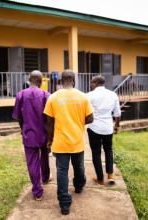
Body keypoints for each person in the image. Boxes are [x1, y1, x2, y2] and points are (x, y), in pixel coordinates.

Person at [44, 70, 93, 215]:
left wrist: (50, 140)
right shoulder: (82, 97)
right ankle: (78, 186)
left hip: (60, 143)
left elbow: (49, 122)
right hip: (77, 141)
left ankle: (64, 205)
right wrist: (78, 122)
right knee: (79, 166)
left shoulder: (53, 97)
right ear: (74, 80)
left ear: (60, 81)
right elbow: (90, 119)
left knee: (61, 172)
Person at [12, 70, 51, 201]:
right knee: (45, 156)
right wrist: (50, 135)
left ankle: (37, 191)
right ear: (40, 81)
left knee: (32, 162)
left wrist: (22, 129)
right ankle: (45, 178)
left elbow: (18, 117)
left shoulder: (20, 95)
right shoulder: (46, 94)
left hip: (29, 134)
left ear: (29, 80)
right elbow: (49, 118)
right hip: (44, 133)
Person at [86, 75, 121, 185]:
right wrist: (116, 126)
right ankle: (110, 175)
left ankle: (100, 178)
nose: (91, 85)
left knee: (96, 153)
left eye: (92, 82)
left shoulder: (89, 95)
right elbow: (117, 114)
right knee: (108, 150)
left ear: (95, 83)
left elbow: (85, 113)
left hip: (94, 128)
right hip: (107, 128)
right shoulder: (112, 94)